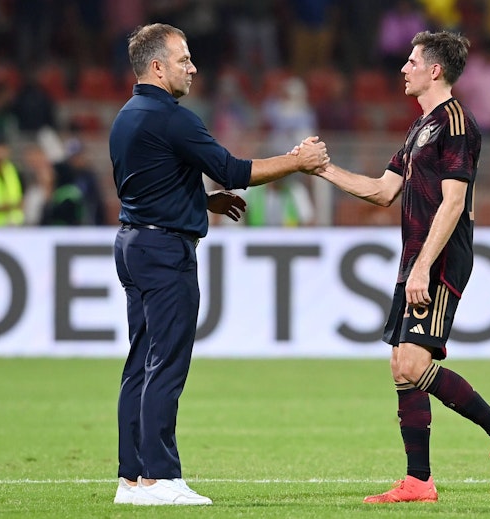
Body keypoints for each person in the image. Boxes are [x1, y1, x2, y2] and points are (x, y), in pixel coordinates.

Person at [305, 30, 490, 503]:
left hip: (441, 256)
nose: (403, 68)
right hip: (417, 257)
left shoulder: (456, 123)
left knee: (412, 362)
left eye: (411, 61)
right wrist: (321, 170)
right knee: (401, 366)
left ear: (434, 70)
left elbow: (453, 202)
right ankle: (418, 480)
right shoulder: (420, 127)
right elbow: (382, 191)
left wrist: (425, 267)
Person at [109, 23, 328, 507]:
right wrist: (299, 161)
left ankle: (131, 478)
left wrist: (201, 203)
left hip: (134, 244)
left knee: (140, 364)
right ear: (157, 67)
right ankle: (161, 479)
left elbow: (149, 184)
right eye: (183, 59)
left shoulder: (126, 115)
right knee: (166, 363)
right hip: (166, 253)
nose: (193, 67)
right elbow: (233, 170)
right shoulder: (174, 118)